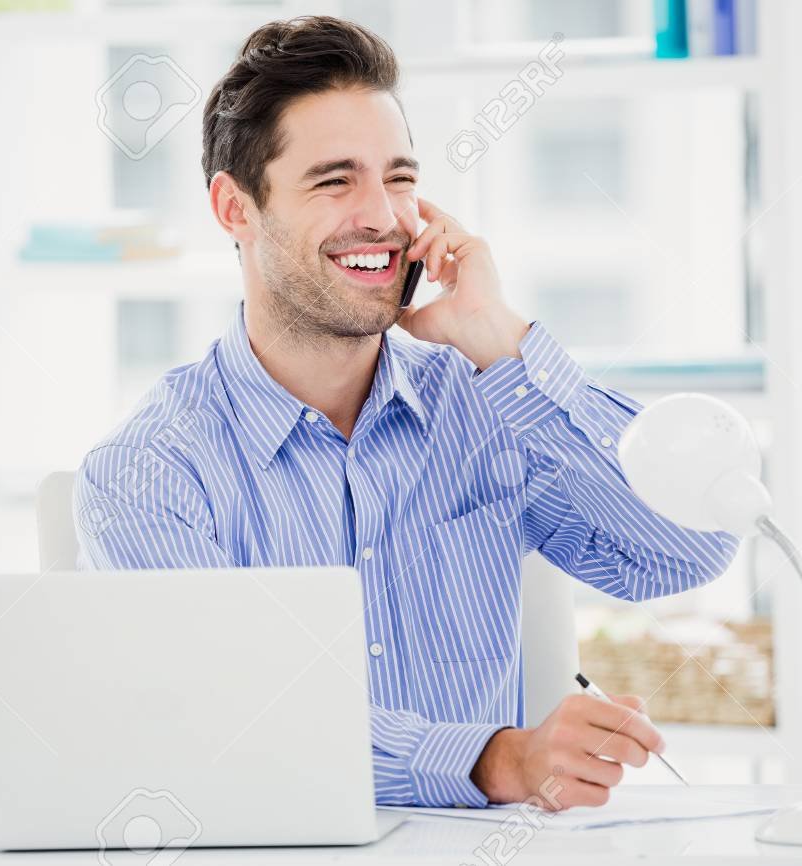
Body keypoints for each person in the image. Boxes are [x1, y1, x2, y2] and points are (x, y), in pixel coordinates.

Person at [76, 15, 740, 810]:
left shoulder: (486, 402)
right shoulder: (149, 473)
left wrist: (501, 342)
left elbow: (684, 551)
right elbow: (231, 720)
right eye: (335, 180)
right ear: (234, 209)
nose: (385, 217)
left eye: (398, 177)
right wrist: (495, 761)